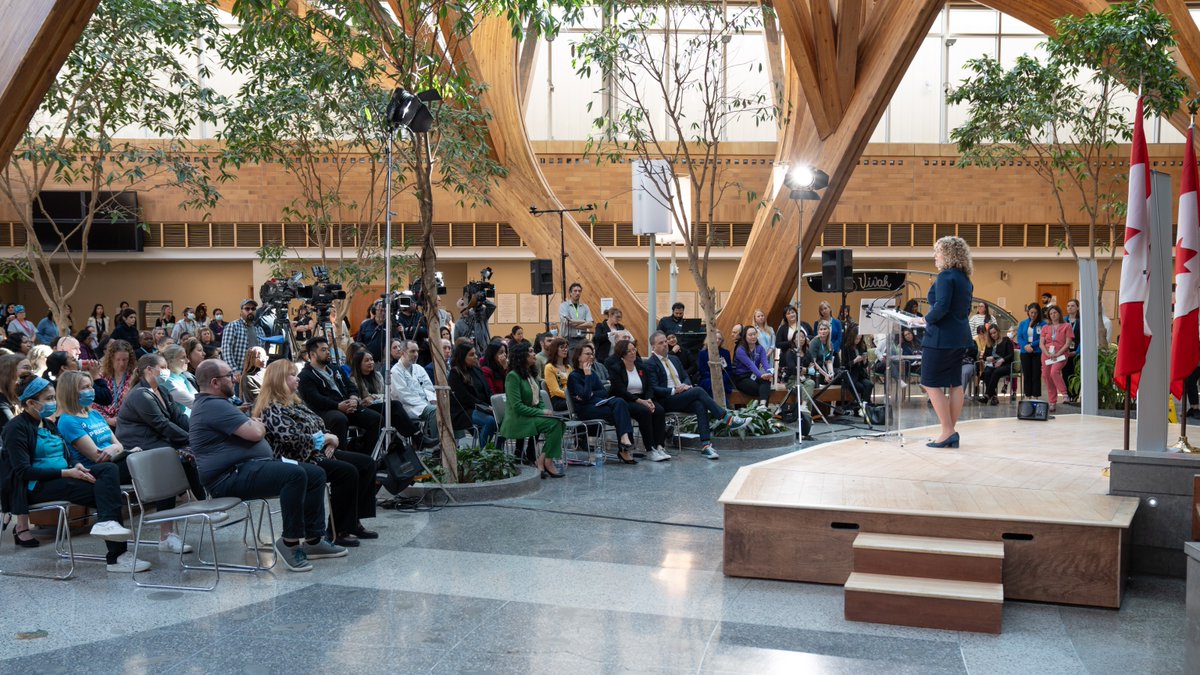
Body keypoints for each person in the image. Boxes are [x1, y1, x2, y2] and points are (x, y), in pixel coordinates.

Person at [190, 359, 345, 572]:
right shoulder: (212, 406)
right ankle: (289, 542)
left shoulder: (218, 404)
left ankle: (313, 540)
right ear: (215, 382)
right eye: (229, 376)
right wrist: (257, 426)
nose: (234, 379)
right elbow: (255, 432)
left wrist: (254, 424)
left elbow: (252, 427)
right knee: (294, 474)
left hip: (249, 467)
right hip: (228, 477)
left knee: (315, 474)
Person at [0, 373, 147, 571]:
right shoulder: (15, 428)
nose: (54, 403)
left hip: (64, 476)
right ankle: (117, 556)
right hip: (36, 487)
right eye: (48, 399)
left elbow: (67, 455)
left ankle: (110, 532)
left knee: (108, 471)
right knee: (106, 493)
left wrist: (76, 466)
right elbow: (23, 471)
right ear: (31, 403)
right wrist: (66, 472)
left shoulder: (48, 423)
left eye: (54, 397)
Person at [57, 370, 199, 553]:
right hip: (99, 471)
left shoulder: (94, 414)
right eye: (85, 387)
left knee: (168, 457)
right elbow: (97, 455)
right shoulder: (68, 421)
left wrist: (116, 449)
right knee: (161, 464)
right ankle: (184, 514)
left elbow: (118, 445)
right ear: (71, 391)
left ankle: (183, 515)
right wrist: (116, 449)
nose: (91, 391)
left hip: (118, 460)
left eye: (91, 386)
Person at [255, 359, 378, 548]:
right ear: (279, 379)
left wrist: (331, 439)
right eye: (292, 375)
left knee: (367, 464)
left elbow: (318, 424)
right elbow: (291, 438)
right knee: (346, 472)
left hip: (316, 451)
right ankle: (338, 531)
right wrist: (325, 438)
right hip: (298, 458)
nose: (297, 379)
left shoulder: (295, 402)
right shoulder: (271, 407)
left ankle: (353, 521)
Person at [646, 331, 748, 460]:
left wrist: (686, 385)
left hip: (682, 396)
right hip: (666, 399)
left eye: (665, 341)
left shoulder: (674, 359)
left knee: (699, 405)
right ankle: (727, 419)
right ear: (653, 346)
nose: (665, 344)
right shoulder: (650, 363)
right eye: (661, 343)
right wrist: (674, 390)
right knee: (698, 391)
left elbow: (685, 377)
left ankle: (706, 446)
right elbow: (654, 388)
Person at [919, 236, 974, 448]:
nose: (935, 256)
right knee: (955, 383)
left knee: (929, 382)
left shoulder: (945, 277)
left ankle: (948, 430)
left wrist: (924, 319)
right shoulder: (964, 279)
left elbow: (941, 307)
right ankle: (949, 431)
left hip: (940, 338)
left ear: (949, 254)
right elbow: (964, 310)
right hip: (959, 337)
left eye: (938, 251)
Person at [297, 336, 382, 456]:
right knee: (339, 419)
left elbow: (351, 387)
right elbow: (315, 399)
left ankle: (363, 454)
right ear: (312, 354)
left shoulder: (335, 368)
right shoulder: (305, 375)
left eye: (328, 349)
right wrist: (337, 405)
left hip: (347, 406)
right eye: (323, 350)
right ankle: (342, 457)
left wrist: (353, 398)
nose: (328, 352)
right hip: (325, 411)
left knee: (376, 419)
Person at [500, 342, 565, 477]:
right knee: (555, 424)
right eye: (530, 351)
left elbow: (539, 400)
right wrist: (542, 412)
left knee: (560, 422)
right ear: (521, 356)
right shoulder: (512, 376)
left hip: (531, 416)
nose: (534, 354)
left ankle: (543, 459)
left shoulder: (531, 374)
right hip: (518, 420)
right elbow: (517, 407)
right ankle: (547, 461)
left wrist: (544, 411)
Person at [567, 342, 636, 463]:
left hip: (598, 405)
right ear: (578, 357)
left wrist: (591, 394)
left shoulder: (592, 373)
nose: (591, 356)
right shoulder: (574, 376)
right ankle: (624, 447)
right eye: (587, 354)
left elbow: (603, 392)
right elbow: (585, 397)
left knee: (620, 403)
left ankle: (624, 441)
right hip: (585, 410)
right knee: (621, 410)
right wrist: (587, 377)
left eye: (592, 354)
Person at [609, 339, 667, 461]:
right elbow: (621, 391)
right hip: (625, 400)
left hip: (643, 398)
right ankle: (650, 449)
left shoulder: (641, 366)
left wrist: (649, 399)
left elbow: (649, 386)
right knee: (644, 411)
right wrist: (641, 401)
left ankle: (660, 446)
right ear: (622, 353)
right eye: (629, 351)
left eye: (634, 349)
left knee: (659, 410)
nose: (632, 353)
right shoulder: (616, 369)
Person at [446, 342, 497, 446]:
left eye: (475, 353)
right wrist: (485, 406)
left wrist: (493, 404)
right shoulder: (455, 373)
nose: (476, 357)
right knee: (490, 421)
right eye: (471, 355)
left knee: (504, 419)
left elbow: (487, 390)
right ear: (462, 357)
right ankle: (484, 451)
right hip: (463, 411)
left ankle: (498, 448)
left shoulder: (477, 369)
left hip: (482, 407)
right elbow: (465, 398)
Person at [391, 340, 438, 448]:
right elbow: (404, 396)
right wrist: (426, 404)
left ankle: (455, 442)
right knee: (435, 411)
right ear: (403, 353)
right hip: (409, 407)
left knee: (446, 408)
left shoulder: (419, 368)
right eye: (412, 351)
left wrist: (432, 400)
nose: (416, 354)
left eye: (417, 351)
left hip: (425, 403)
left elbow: (429, 388)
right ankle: (438, 447)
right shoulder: (395, 371)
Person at [221, 299, 270, 383]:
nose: (250, 311)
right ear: (241, 311)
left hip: (256, 375)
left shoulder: (259, 329)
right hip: (239, 375)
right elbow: (226, 351)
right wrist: (235, 371)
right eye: (247, 309)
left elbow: (262, 351)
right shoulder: (233, 326)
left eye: (253, 309)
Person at [95, 339, 137, 428]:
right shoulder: (102, 376)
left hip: (126, 422)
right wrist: (107, 419)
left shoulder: (134, 377)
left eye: (125, 359)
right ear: (111, 359)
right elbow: (94, 403)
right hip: (103, 422)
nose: (121, 363)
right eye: (118, 360)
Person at [1040, 305, 1072, 412]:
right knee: (1046, 376)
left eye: (1055, 312)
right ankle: (1052, 402)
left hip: (1061, 354)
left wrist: (1058, 353)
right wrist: (1047, 353)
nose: (1053, 315)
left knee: (1054, 372)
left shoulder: (1067, 326)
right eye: (1051, 313)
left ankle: (1064, 394)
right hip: (1047, 355)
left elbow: (1068, 343)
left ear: (1059, 313)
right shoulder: (1045, 327)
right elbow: (1041, 344)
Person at [732, 326, 773, 406]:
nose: (753, 337)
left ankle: (762, 406)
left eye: (755, 334)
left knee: (766, 382)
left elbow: (765, 362)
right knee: (762, 390)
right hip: (742, 378)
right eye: (750, 335)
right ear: (745, 336)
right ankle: (762, 408)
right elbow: (750, 365)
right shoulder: (740, 349)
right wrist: (761, 375)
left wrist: (769, 372)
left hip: (754, 375)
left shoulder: (760, 348)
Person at [977, 323, 1014, 405]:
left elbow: (1011, 355)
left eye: (994, 333)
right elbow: (984, 357)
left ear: (998, 331)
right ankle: (994, 397)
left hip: (1006, 364)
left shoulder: (1006, 340)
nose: (993, 335)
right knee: (987, 372)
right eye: (991, 334)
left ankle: (987, 395)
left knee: (996, 372)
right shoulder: (990, 343)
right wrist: (987, 358)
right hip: (993, 365)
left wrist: (1002, 360)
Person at [160, 344, 198, 416]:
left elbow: (197, 397)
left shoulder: (181, 376)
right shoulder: (167, 382)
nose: (187, 361)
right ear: (170, 361)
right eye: (183, 357)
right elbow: (194, 404)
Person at [1016, 303, 1044, 400]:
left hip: (1037, 351)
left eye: (1036, 313)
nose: (1033, 315)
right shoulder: (1023, 323)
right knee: (1027, 374)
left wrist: (1032, 345)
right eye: (1032, 312)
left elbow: (1042, 337)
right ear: (1028, 312)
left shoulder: (1042, 324)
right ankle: (1027, 395)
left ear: (1038, 313)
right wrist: (1025, 346)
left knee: (1036, 374)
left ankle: (1035, 395)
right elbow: (1019, 336)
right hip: (1025, 351)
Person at [697, 330, 733, 399]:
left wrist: (722, 379)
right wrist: (715, 378)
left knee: (721, 385)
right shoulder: (702, 353)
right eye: (715, 338)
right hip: (707, 378)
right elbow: (702, 371)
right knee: (711, 385)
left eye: (720, 339)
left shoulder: (725, 353)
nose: (717, 340)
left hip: (722, 379)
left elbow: (728, 370)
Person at [558, 282, 593, 347]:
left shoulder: (585, 307)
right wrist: (584, 321)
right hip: (568, 340)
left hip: (582, 339)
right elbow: (567, 322)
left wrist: (572, 322)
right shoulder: (564, 306)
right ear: (570, 293)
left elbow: (590, 324)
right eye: (575, 291)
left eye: (579, 291)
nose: (577, 293)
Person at [542, 337, 571, 412]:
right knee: (580, 403)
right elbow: (555, 391)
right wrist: (571, 397)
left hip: (570, 397)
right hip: (558, 400)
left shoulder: (568, 367)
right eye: (562, 347)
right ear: (555, 349)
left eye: (566, 347)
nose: (565, 350)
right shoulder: (549, 367)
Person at [1063, 298, 1081, 403]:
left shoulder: (1081, 321)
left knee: (1075, 374)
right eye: (1068, 306)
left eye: (1072, 306)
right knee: (1065, 373)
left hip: (1076, 351)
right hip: (1064, 351)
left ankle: (1074, 395)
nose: (1070, 308)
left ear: (1077, 308)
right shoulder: (1063, 321)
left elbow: (1082, 339)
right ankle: (1066, 395)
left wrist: (1077, 351)